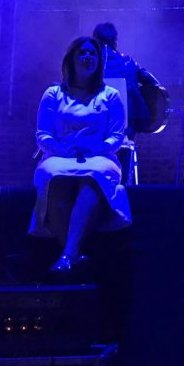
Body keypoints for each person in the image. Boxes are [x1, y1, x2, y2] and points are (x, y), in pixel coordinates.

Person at [31, 36, 132, 274]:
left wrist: (95, 149)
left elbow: (116, 136)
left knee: (93, 175)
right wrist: (63, 149)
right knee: (53, 176)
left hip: (100, 156)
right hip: (59, 155)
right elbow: (43, 135)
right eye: (82, 53)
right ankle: (72, 253)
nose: (88, 57)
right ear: (71, 60)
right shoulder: (53, 94)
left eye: (92, 53)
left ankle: (68, 255)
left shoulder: (110, 95)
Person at [92, 22, 162, 138]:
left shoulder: (89, 62)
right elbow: (155, 84)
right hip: (128, 122)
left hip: (96, 120)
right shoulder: (129, 62)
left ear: (94, 41)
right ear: (115, 41)